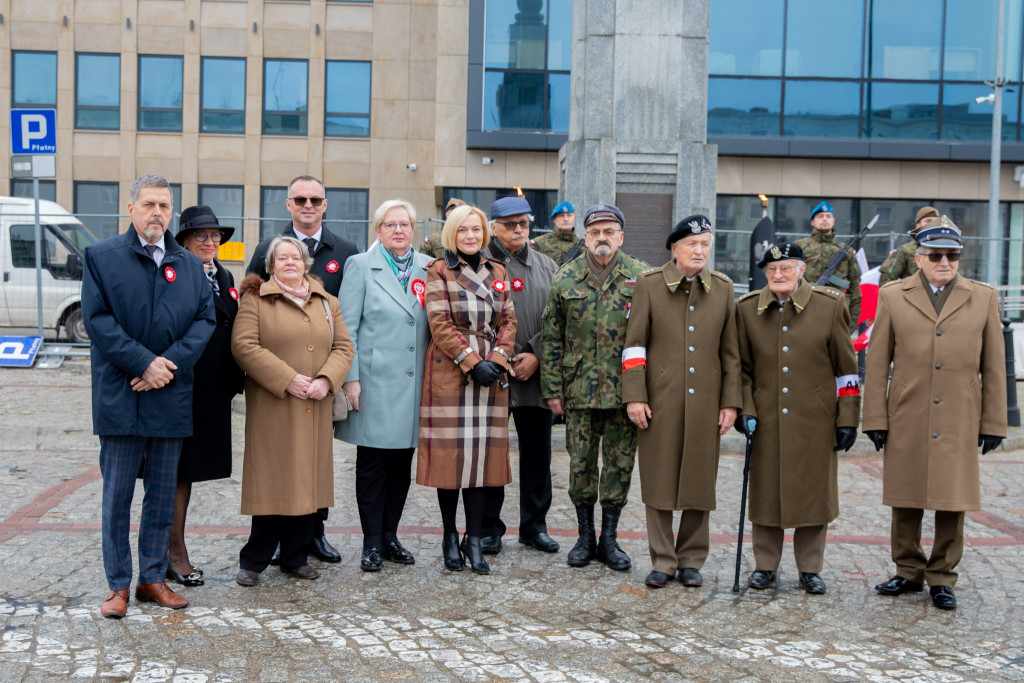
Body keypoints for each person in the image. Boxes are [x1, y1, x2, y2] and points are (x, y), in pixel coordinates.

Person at [82, 174, 215, 618]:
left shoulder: (190, 265)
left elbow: (203, 323)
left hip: (169, 396)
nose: (157, 213)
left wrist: (165, 366)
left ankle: (152, 579)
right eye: (149, 204)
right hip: (121, 395)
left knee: (161, 497)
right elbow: (98, 321)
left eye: (164, 206)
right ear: (131, 208)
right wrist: (143, 363)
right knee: (117, 497)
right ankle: (117, 585)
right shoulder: (102, 257)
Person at [864, 217, 1006, 611]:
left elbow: (995, 365)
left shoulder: (983, 297)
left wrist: (994, 422)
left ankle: (942, 576)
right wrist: (874, 417)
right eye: (936, 255)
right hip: (907, 411)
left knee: (952, 499)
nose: (945, 262)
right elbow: (877, 363)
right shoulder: (894, 296)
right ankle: (908, 569)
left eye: (952, 256)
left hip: (960, 413)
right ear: (918, 257)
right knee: (905, 496)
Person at [621, 215, 741, 588]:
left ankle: (691, 560)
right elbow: (634, 346)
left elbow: (731, 353)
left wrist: (730, 402)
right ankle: (663, 560)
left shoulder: (722, 289)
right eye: (692, 244)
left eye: (705, 244)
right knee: (658, 480)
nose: (699, 251)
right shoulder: (649, 284)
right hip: (660, 401)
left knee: (699, 482)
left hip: (707, 402)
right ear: (675, 248)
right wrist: (635, 395)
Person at [734, 242, 860, 595]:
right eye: (771, 269)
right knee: (765, 495)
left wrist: (848, 417)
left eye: (786, 268)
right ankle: (765, 566)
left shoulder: (829, 306)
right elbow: (741, 370)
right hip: (766, 420)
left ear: (801, 270)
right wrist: (746, 409)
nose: (778, 275)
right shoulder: (747, 309)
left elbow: (847, 370)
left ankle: (810, 568)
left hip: (815, 420)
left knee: (814, 495)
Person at [246, 175, 358, 564]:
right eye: (299, 199)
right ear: (288, 204)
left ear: (325, 204)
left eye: (314, 199)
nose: (307, 205)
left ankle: (313, 534)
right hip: (279, 383)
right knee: (277, 462)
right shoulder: (267, 248)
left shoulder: (346, 250)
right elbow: (251, 308)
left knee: (314, 459)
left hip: (321, 380)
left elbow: (346, 318)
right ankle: (272, 542)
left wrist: (333, 377)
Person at [232, 236, 354, 587]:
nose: (289, 263)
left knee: (306, 481)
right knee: (273, 481)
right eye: (282, 258)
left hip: (315, 405)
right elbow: (243, 346)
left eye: (296, 258)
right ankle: (254, 559)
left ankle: (295, 556)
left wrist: (326, 379)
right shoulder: (256, 300)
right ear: (270, 266)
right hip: (275, 406)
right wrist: (288, 379)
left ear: (305, 264)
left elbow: (344, 347)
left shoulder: (327, 301)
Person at [540, 203, 647, 571]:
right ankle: (585, 537)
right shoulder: (565, 278)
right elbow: (552, 338)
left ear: (621, 237)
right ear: (585, 237)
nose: (602, 238)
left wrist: (643, 393)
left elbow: (652, 338)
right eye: (596, 232)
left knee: (620, 466)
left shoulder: (641, 277)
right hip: (579, 391)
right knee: (581, 467)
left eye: (609, 232)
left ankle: (610, 540)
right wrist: (553, 389)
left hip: (624, 393)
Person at [417, 204, 517, 574]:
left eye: (476, 229)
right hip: (452, 370)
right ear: (452, 234)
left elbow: (508, 319)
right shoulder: (438, 270)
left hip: (492, 372)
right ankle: (449, 535)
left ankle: (474, 539)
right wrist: (473, 362)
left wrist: (499, 359)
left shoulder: (498, 270)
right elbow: (439, 323)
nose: (470, 236)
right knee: (451, 460)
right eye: (463, 230)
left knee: (482, 460)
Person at [335, 199, 431, 572]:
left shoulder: (429, 267)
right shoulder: (360, 265)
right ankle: (371, 541)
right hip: (373, 383)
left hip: (413, 384)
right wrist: (351, 378)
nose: (398, 230)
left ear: (413, 229)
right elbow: (347, 328)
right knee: (372, 466)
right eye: (390, 224)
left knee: (401, 465)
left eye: (404, 224)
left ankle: (391, 536)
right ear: (378, 230)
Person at [164, 206, 244, 587]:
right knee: (175, 474)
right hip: (183, 387)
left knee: (190, 472)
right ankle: (172, 552)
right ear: (184, 240)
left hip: (213, 391)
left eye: (215, 235)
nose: (210, 241)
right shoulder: (175, 274)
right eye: (201, 235)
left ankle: (172, 547)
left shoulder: (223, 275)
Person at [480, 196, 560, 555]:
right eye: (510, 224)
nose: (518, 230)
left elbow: (559, 318)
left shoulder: (547, 266)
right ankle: (487, 528)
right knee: (490, 454)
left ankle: (534, 527)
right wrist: (497, 358)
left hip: (533, 377)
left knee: (538, 455)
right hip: (490, 375)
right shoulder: (478, 263)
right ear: (493, 227)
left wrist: (537, 355)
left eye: (523, 223)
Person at [796, 201, 861, 332]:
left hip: (836, 312)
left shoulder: (845, 250)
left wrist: (852, 322)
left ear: (833, 221)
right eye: (820, 216)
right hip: (805, 310)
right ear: (812, 221)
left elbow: (855, 288)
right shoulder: (799, 247)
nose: (825, 219)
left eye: (828, 216)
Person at [878, 206, 939, 285]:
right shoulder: (906, 250)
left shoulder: (946, 250)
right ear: (918, 226)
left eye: (936, 222)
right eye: (928, 221)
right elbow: (886, 281)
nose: (933, 225)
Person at [533, 201, 583, 265]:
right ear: (554, 219)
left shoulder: (584, 245)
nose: (566, 219)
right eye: (561, 216)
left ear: (574, 218)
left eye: (569, 215)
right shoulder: (538, 243)